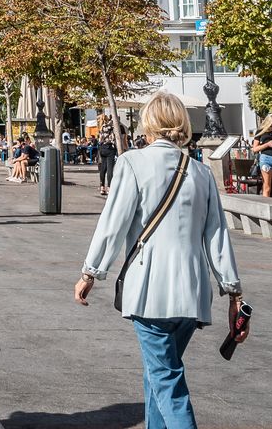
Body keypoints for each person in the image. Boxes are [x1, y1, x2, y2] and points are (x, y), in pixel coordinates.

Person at [75, 92, 248, 429]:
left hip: (150, 290)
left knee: (167, 381)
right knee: (158, 375)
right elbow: (217, 236)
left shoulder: (131, 163)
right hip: (192, 293)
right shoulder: (199, 172)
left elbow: (114, 223)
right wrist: (233, 290)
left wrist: (91, 272)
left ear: (149, 123)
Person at [251, 114, 272, 198]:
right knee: (267, 187)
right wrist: (267, 145)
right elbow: (254, 149)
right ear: (267, 123)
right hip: (266, 158)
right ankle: (266, 207)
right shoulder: (260, 132)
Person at [97, 116, 117, 197]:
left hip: (102, 148)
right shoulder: (111, 127)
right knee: (110, 169)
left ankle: (102, 187)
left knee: (103, 168)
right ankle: (109, 187)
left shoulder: (101, 127)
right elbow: (113, 138)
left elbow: (100, 139)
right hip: (110, 148)